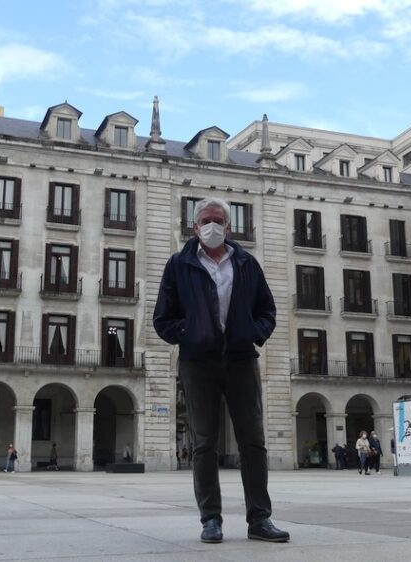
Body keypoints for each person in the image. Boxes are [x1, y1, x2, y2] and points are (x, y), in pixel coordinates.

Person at [153, 197, 289, 544]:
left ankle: (260, 518)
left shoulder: (246, 263)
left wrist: (254, 334)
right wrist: (191, 333)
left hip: (242, 358)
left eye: (218, 220)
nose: (211, 226)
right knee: (205, 442)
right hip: (198, 362)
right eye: (205, 221)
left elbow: (267, 309)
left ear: (228, 227)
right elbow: (163, 318)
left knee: (253, 440)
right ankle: (210, 519)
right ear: (194, 226)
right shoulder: (178, 264)